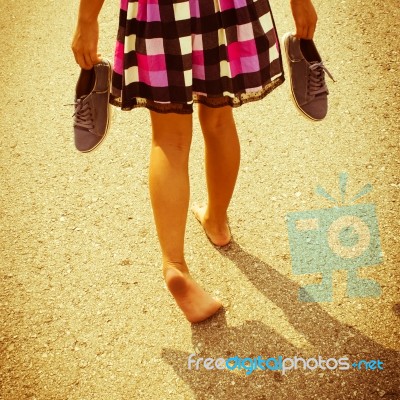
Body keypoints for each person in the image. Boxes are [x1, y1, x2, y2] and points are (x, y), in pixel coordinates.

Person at [71, 0, 318, 323]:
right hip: (223, 6)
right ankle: (216, 221)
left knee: (169, 140)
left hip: (159, 9)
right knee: (218, 120)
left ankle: (175, 266)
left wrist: (87, 19)